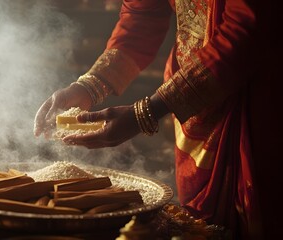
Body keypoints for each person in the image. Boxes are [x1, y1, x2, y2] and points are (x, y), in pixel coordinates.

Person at [34, 0, 276, 239]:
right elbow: (143, 16)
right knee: (198, 228)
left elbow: (248, 30)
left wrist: (146, 113)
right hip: (190, 106)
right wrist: (90, 86)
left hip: (254, 104)